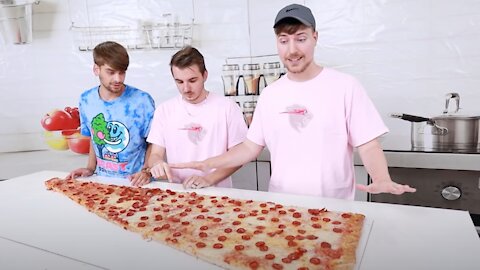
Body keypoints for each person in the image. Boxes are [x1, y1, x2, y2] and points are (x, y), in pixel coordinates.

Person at [171, 4, 416, 199]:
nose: (292, 50)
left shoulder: (345, 86)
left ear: (315, 37)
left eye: (300, 38)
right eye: (284, 40)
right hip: (283, 205)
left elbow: (368, 144)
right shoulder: (270, 94)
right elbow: (249, 148)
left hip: (334, 207)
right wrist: (208, 164)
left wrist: (381, 178)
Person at [140, 46, 248, 189]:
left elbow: (239, 157)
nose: (186, 89)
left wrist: (208, 179)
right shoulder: (164, 110)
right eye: (179, 82)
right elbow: (155, 154)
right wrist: (156, 164)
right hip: (178, 194)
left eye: (192, 80)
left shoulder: (227, 108)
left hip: (219, 196)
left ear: (205, 75)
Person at [67, 41, 155, 186]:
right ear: (96, 69)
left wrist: (146, 171)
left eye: (122, 72)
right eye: (111, 72)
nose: (118, 79)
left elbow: (154, 142)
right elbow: (95, 138)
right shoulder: (86, 100)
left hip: (137, 181)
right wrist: (90, 168)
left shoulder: (142, 101)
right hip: (102, 181)